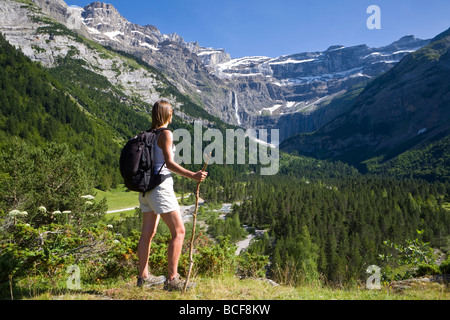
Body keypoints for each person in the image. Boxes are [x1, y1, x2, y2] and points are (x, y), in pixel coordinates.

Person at [136, 99, 208, 291]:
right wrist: (192, 175)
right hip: (160, 188)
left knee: (147, 234)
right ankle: (172, 279)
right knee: (179, 231)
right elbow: (168, 163)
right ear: (168, 114)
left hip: (145, 189)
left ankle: (143, 277)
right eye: (172, 111)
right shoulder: (166, 133)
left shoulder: (147, 134)